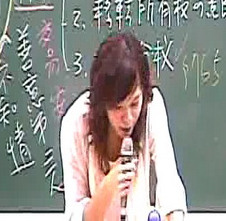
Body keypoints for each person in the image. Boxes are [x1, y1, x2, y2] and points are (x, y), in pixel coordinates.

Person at [60, 31, 187, 221]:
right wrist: (109, 186)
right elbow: (74, 215)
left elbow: (169, 184)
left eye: (134, 103)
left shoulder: (151, 108)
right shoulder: (77, 122)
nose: (128, 118)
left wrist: (174, 215)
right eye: (118, 107)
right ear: (102, 102)